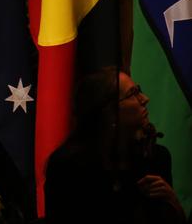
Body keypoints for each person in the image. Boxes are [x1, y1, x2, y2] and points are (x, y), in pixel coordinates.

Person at [44, 66, 186, 224]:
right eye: (133, 94)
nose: (145, 99)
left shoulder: (156, 158)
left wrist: (172, 201)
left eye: (139, 90)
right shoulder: (68, 167)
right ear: (108, 112)